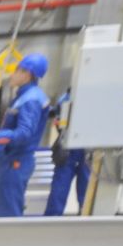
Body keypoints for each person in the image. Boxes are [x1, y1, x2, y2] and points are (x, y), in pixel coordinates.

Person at [0, 53, 51, 217]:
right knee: (8, 208)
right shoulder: (24, 97)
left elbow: (24, 133)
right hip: (11, 160)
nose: (12, 74)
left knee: (8, 213)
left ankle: (8, 242)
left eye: (17, 70)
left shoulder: (31, 100)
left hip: (16, 162)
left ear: (27, 74)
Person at [44, 88, 91, 217]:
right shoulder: (66, 98)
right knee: (59, 192)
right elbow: (58, 120)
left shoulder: (95, 96)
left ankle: (87, 222)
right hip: (68, 149)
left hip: (86, 149)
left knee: (86, 193)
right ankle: (50, 224)